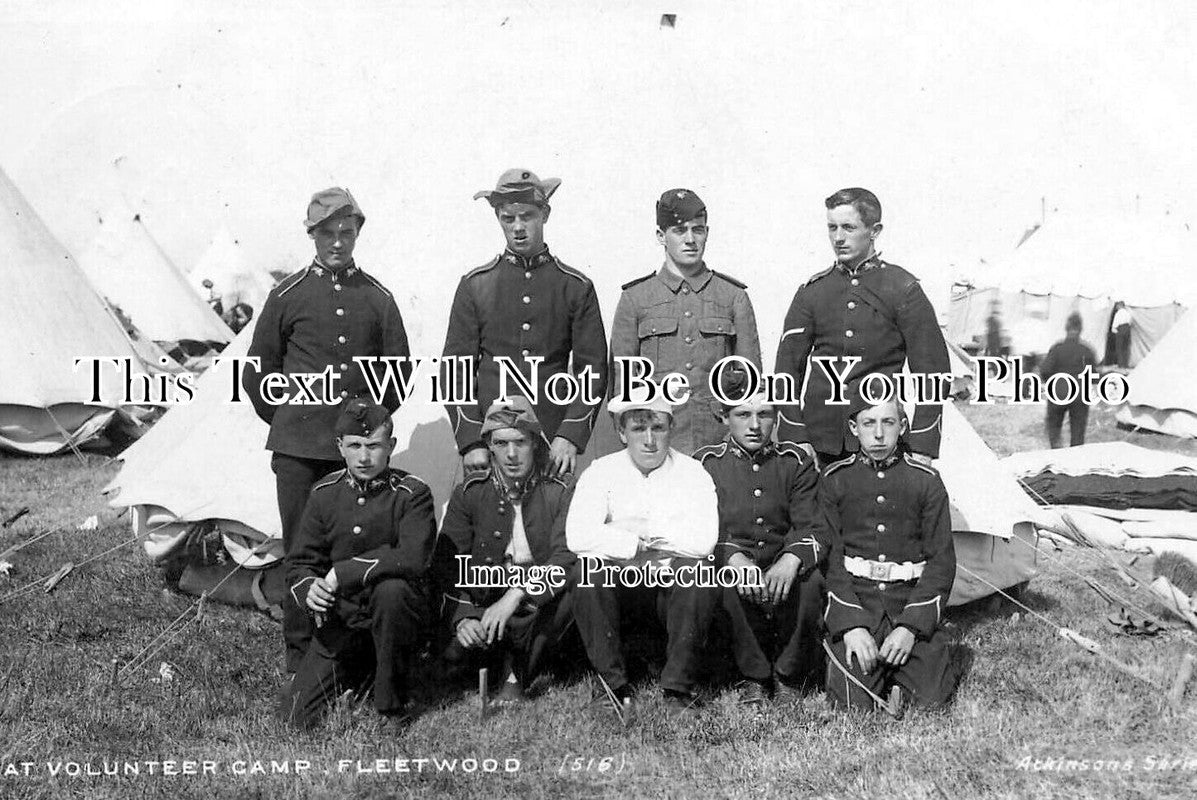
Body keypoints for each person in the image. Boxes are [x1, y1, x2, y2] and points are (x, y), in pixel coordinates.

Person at [246, 187, 413, 673]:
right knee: (302, 551)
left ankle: (350, 654)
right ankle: (302, 660)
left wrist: (362, 432)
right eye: (327, 233)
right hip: (299, 450)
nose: (337, 242)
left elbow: (396, 373)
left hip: (355, 454)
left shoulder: (378, 298)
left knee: (353, 549)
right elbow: (260, 373)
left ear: (358, 233)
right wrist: (291, 419)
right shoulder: (288, 295)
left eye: (346, 232)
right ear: (311, 235)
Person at [279, 400, 436, 728]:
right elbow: (300, 563)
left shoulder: (412, 494)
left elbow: (413, 557)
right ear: (340, 447)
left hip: (395, 620)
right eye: (355, 446)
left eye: (374, 446)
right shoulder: (324, 494)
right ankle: (362, 669)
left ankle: (391, 702)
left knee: (392, 590)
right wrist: (311, 588)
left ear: (391, 446)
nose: (364, 457)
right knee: (295, 717)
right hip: (343, 621)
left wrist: (342, 572)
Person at [442, 169, 608, 478]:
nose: (518, 227)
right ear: (499, 219)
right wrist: (470, 441)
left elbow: (593, 370)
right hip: (490, 445)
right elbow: (454, 370)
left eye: (527, 216)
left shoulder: (574, 286)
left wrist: (570, 436)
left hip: (551, 442)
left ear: (545, 214)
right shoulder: (475, 286)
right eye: (508, 218)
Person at [565, 382, 719, 713]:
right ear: (622, 432)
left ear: (670, 428)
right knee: (587, 571)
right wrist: (634, 544)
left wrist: (641, 532)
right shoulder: (600, 471)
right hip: (620, 594)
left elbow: (704, 540)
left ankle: (678, 689)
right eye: (638, 428)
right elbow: (577, 537)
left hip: (670, 594)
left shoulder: (694, 473)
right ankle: (612, 688)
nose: (649, 439)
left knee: (699, 571)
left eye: (657, 427)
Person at [774, 188, 950, 467]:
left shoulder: (902, 289)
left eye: (848, 227)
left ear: (874, 230)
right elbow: (786, 371)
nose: (838, 238)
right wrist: (795, 436)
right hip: (820, 444)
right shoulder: (812, 292)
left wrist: (923, 445)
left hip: (881, 442)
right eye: (832, 227)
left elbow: (933, 372)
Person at [693, 369, 827, 703]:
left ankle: (788, 674)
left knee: (811, 582)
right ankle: (751, 676)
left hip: (781, 567)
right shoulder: (706, 464)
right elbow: (698, 527)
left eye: (765, 414)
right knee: (722, 580)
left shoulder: (795, 462)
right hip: (733, 569)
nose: (755, 425)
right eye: (743, 414)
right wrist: (732, 556)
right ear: (725, 418)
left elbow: (814, 525)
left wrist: (792, 558)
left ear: (776, 417)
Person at [820, 393, 957, 712]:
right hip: (859, 603)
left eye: (888, 422)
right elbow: (830, 561)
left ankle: (908, 669)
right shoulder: (834, 480)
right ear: (854, 428)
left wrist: (911, 627)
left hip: (907, 601)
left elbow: (941, 562)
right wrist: (851, 625)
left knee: (931, 702)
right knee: (852, 706)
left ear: (903, 426)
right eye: (869, 423)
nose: (878, 434)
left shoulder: (926, 481)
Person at [435, 397, 577, 703]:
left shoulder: (560, 489)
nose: (511, 454)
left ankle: (518, 674)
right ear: (488, 445)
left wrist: (517, 594)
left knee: (574, 588)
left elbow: (566, 557)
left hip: (539, 600)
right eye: (501, 444)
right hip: (489, 600)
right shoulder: (470, 492)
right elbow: (448, 565)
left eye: (520, 442)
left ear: (536, 443)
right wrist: (464, 617)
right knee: (454, 659)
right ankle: (499, 660)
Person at [609, 188, 761, 454]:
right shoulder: (635, 299)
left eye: (698, 230)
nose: (690, 239)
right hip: (658, 442)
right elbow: (623, 389)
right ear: (661, 236)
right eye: (679, 230)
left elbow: (752, 383)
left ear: (707, 233)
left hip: (720, 442)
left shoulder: (733, 297)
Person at [1040, 312, 1098, 448]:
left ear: (1066, 328)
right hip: (1079, 395)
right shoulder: (1087, 350)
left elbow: (1045, 370)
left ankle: (1056, 456)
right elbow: (1094, 376)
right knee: (1078, 433)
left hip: (1058, 393)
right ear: (1081, 329)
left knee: (1054, 430)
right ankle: (1074, 463)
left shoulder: (1057, 349)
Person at [1110, 301, 1133, 369]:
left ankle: (1120, 365)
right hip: (1127, 329)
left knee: (1119, 348)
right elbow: (1130, 322)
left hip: (1120, 329)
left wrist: (1114, 330)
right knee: (1126, 347)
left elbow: (1115, 323)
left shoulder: (1118, 313)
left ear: (1119, 306)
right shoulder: (1128, 313)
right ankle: (1125, 364)